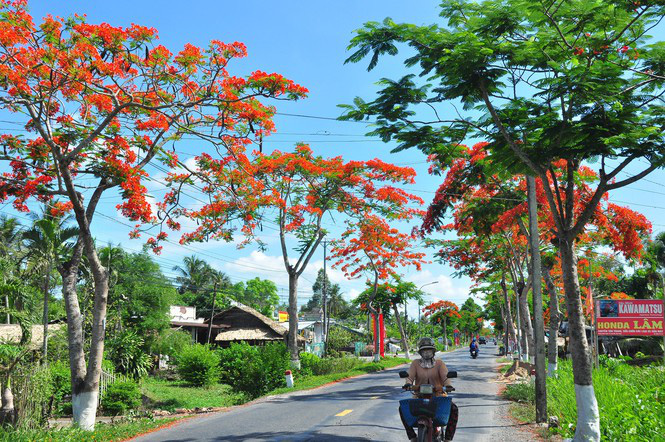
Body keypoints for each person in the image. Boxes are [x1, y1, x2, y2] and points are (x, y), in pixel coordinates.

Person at [399, 337, 458, 442]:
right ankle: (412, 437)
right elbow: (410, 376)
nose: (426, 353)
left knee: (454, 409)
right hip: (419, 397)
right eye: (424, 350)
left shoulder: (439, 364)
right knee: (402, 409)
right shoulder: (415, 363)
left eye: (429, 350)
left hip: (438, 397)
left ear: (433, 351)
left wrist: (448, 385)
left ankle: (448, 439)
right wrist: (408, 384)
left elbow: (445, 377)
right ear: (420, 352)